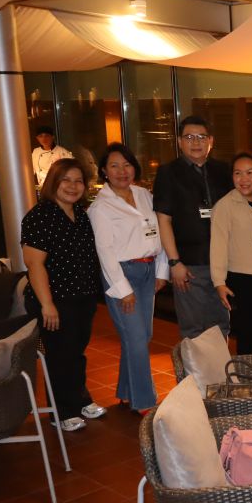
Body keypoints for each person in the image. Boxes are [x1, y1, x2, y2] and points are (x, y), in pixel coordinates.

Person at [21, 158, 104, 431]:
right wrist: (47, 304)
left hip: (82, 297)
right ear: (53, 183)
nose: (72, 186)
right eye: (65, 180)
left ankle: (80, 399)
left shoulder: (80, 213)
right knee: (59, 356)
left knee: (76, 352)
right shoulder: (40, 216)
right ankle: (62, 412)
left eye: (78, 181)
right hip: (54, 299)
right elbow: (34, 265)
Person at [87, 143, 168, 414]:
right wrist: (123, 290)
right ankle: (144, 400)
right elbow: (105, 252)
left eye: (127, 164)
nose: (122, 171)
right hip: (122, 274)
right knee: (136, 339)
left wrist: (161, 271)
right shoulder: (100, 207)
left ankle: (125, 390)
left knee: (142, 336)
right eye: (114, 166)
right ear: (104, 171)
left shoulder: (144, 194)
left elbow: (158, 233)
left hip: (148, 270)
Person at [153, 115, 233, 339]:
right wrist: (174, 262)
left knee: (221, 324)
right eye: (189, 137)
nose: (196, 142)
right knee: (193, 329)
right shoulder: (168, 173)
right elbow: (164, 220)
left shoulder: (223, 170)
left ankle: (218, 364)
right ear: (179, 141)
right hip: (189, 265)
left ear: (211, 141)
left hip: (223, 262)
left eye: (201, 137)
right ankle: (194, 365)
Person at [210, 152, 252, 354]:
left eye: (250, 173)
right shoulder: (224, 205)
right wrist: (219, 282)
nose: (244, 179)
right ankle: (246, 375)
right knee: (247, 335)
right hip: (242, 280)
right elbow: (218, 246)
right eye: (238, 173)